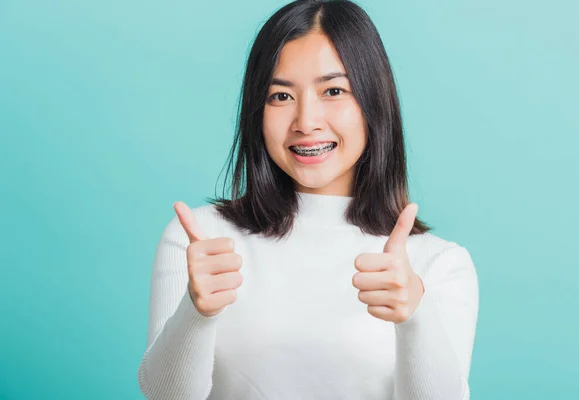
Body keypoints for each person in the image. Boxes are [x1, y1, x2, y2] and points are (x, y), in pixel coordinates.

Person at [137, 0, 479, 399]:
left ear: (373, 103)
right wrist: (196, 313)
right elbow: (164, 397)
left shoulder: (437, 264)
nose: (306, 122)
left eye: (333, 90)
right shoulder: (201, 240)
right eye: (280, 96)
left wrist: (415, 318)